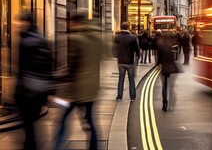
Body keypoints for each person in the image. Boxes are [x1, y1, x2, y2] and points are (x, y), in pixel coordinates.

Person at [54, 12, 102, 150]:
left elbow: (73, 66)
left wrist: (63, 83)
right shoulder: (97, 38)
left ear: (77, 22)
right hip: (91, 87)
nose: (68, 25)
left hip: (77, 88)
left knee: (63, 119)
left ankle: (57, 146)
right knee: (90, 121)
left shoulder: (76, 39)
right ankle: (94, 147)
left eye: (70, 22)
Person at [14, 12, 54, 150]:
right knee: (31, 125)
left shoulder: (26, 41)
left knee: (28, 126)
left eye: (21, 21)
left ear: (27, 23)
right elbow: (49, 66)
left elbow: (22, 69)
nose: (18, 24)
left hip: (28, 90)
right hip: (40, 89)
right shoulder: (41, 39)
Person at [113, 22, 140, 102]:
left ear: (121, 27)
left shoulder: (117, 37)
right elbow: (137, 49)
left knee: (121, 79)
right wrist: (138, 55)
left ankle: (119, 97)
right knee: (131, 79)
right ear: (128, 27)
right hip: (130, 62)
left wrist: (117, 56)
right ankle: (132, 97)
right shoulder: (133, 37)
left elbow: (114, 49)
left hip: (121, 61)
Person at [157, 31, 179, 112]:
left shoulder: (160, 44)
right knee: (171, 87)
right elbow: (175, 57)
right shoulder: (173, 44)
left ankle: (164, 102)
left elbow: (159, 58)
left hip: (163, 66)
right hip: (172, 67)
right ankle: (171, 104)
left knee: (164, 85)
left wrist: (158, 64)